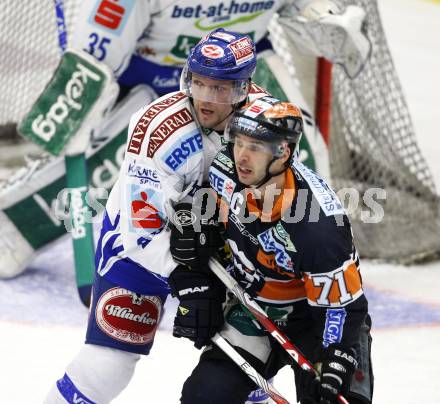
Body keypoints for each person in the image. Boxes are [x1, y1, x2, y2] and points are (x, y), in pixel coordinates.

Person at [1, 0, 371, 280]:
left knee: (297, 156)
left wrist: (328, 18)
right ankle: (16, 222)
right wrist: (79, 99)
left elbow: (309, 11)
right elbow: (93, 55)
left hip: (246, 75)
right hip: (155, 83)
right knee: (120, 169)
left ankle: (296, 255)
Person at [43, 29, 271, 403]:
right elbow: (140, 228)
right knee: (110, 362)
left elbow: (279, 197)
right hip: (139, 251)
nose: (205, 99)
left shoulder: (267, 121)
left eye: (219, 88)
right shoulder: (157, 129)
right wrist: (188, 278)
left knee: (243, 363)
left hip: (225, 246)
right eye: (199, 84)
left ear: (244, 88)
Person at [168, 96, 373, 403]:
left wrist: (336, 354)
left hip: (316, 317)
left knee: (334, 397)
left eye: (255, 147)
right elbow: (198, 207)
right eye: (239, 143)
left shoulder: (319, 229)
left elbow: (340, 307)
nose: (241, 156)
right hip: (256, 308)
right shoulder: (225, 169)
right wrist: (192, 230)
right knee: (205, 396)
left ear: (282, 153)